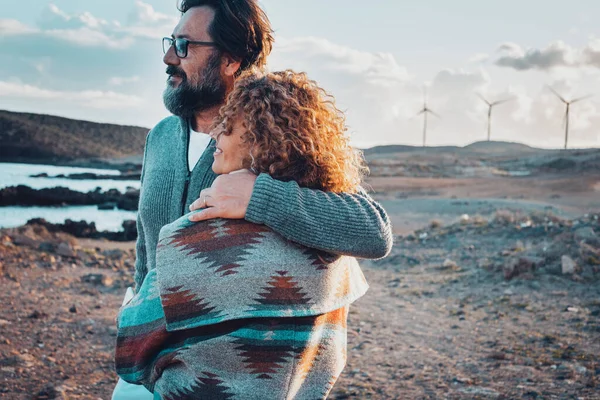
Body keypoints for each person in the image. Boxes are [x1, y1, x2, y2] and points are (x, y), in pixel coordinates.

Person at [112, 0, 393, 398]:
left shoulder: (272, 143)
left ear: (230, 59)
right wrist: (139, 319)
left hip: (238, 380)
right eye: (171, 41)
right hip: (152, 365)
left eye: (184, 44)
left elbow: (372, 230)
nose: (168, 56)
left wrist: (259, 196)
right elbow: (147, 247)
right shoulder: (158, 137)